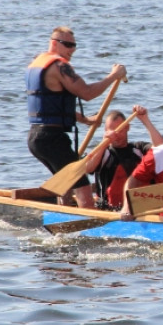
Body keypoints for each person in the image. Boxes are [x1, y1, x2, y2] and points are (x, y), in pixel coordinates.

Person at [27, 26, 127, 208]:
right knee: (83, 187)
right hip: (52, 139)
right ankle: (88, 224)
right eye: (67, 45)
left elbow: (52, 106)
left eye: (74, 45)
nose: (72, 49)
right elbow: (87, 93)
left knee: (65, 184)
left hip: (37, 139)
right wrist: (113, 76)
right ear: (54, 43)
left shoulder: (37, 63)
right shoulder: (59, 66)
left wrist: (85, 120)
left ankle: (64, 219)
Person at [85, 106, 163, 209]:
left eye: (120, 130)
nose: (117, 135)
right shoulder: (104, 153)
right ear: (106, 131)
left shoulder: (138, 149)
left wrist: (145, 120)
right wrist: (104, 143)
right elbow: (88, 168)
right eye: (113, 131)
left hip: (140, 207)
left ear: (127, 128)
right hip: (111, 209)